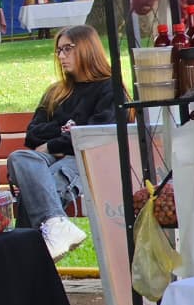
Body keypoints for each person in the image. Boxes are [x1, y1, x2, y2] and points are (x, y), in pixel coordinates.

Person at [7, 25, 114, 260]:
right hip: (46, 159)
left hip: (85, 159)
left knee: (38, 189)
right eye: (59, 51)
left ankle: (25, 267)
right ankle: (57, 226)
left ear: (87, 49)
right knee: (19, 157)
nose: (61, 56)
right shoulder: (56, 91)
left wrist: (53, 145)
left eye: (68, 49)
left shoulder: (109, 87)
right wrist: (65, 131)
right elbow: (32, 135)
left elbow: (96, 134)